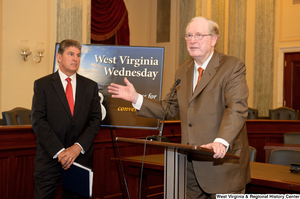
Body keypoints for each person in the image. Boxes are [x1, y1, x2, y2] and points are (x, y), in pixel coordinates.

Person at [108, 16, 250, 198]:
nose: (192, 40)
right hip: (190, 167)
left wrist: (221, 141)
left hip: (222, 165)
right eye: (189, 35)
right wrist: (137, 98)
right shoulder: (183, 70)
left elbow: (236, 109)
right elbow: (169, 108)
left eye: (199, 35)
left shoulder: (232, 66)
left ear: (214, 39)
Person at [31, 39, 102, 199]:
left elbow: (95, 120)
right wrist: (61, 152)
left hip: (80, 159)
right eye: (70, 54)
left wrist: (77, 147)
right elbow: (38, 121)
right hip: (50, 158)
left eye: (78, 55)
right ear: (59, 57)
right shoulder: (42, 85)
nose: (75, 58)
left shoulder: (90, 86)